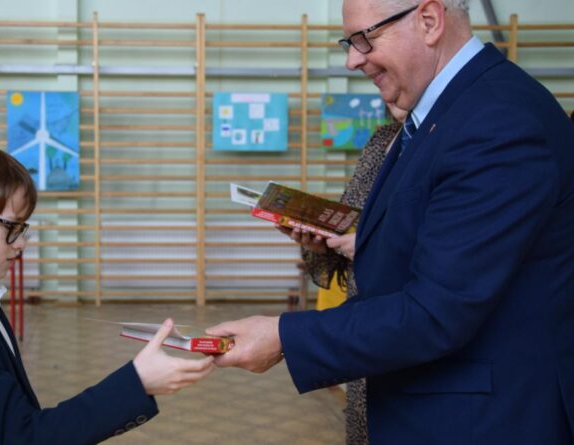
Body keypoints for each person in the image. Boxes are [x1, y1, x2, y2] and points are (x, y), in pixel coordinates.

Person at [207, 0, 574, 443]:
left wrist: (284, 336)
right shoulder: (446, 113)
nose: (352, 59)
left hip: (483, 421)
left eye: (365, 38)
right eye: (348, 42)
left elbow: (435, 312)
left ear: (429, 21)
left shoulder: (496, 122)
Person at [0, 141, 215, 444]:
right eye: (11, 226)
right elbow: (24, 436)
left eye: (23, 229)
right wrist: (138, 381)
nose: (21, 242)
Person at [295, 104, 404, 445]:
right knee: (363, 421)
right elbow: (349, 220)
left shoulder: (449, 138)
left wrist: (373, 244)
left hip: (411, 316)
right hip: (364, 315)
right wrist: (319, 242)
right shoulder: (382, 140)